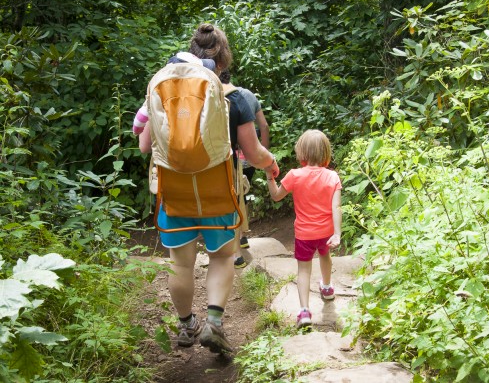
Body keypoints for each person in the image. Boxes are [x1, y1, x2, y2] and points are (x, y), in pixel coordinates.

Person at [138, 23, 279, 352]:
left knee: (181, 263)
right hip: (218, 190)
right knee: (221, 256)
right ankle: (214, 322)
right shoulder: (237, 97)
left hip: (174, 191)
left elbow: (145, 145)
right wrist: (271, 164)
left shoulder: (163, 89)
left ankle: (188, 326)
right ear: (224, 59)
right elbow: (254, 153)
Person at [265, 129, 342, 328]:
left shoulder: (294, 175)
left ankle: (304, 312)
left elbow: (276, 196)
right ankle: (326, 288)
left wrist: (269, 176)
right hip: (326, 232)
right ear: (325, 152)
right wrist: (337, 233)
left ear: (302, 153)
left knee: (304, 270)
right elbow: (337, 207)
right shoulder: (332, 177)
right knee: (325, 256)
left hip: (304, 234)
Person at [218, 69, 270, 268]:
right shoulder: (247, 95)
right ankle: (242, 237)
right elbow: (263, 126)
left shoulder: (211, 95)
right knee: (243, 194)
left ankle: (235, 251)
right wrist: (262, 152)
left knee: (230, 197)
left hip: (225, 157)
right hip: (248, 156)